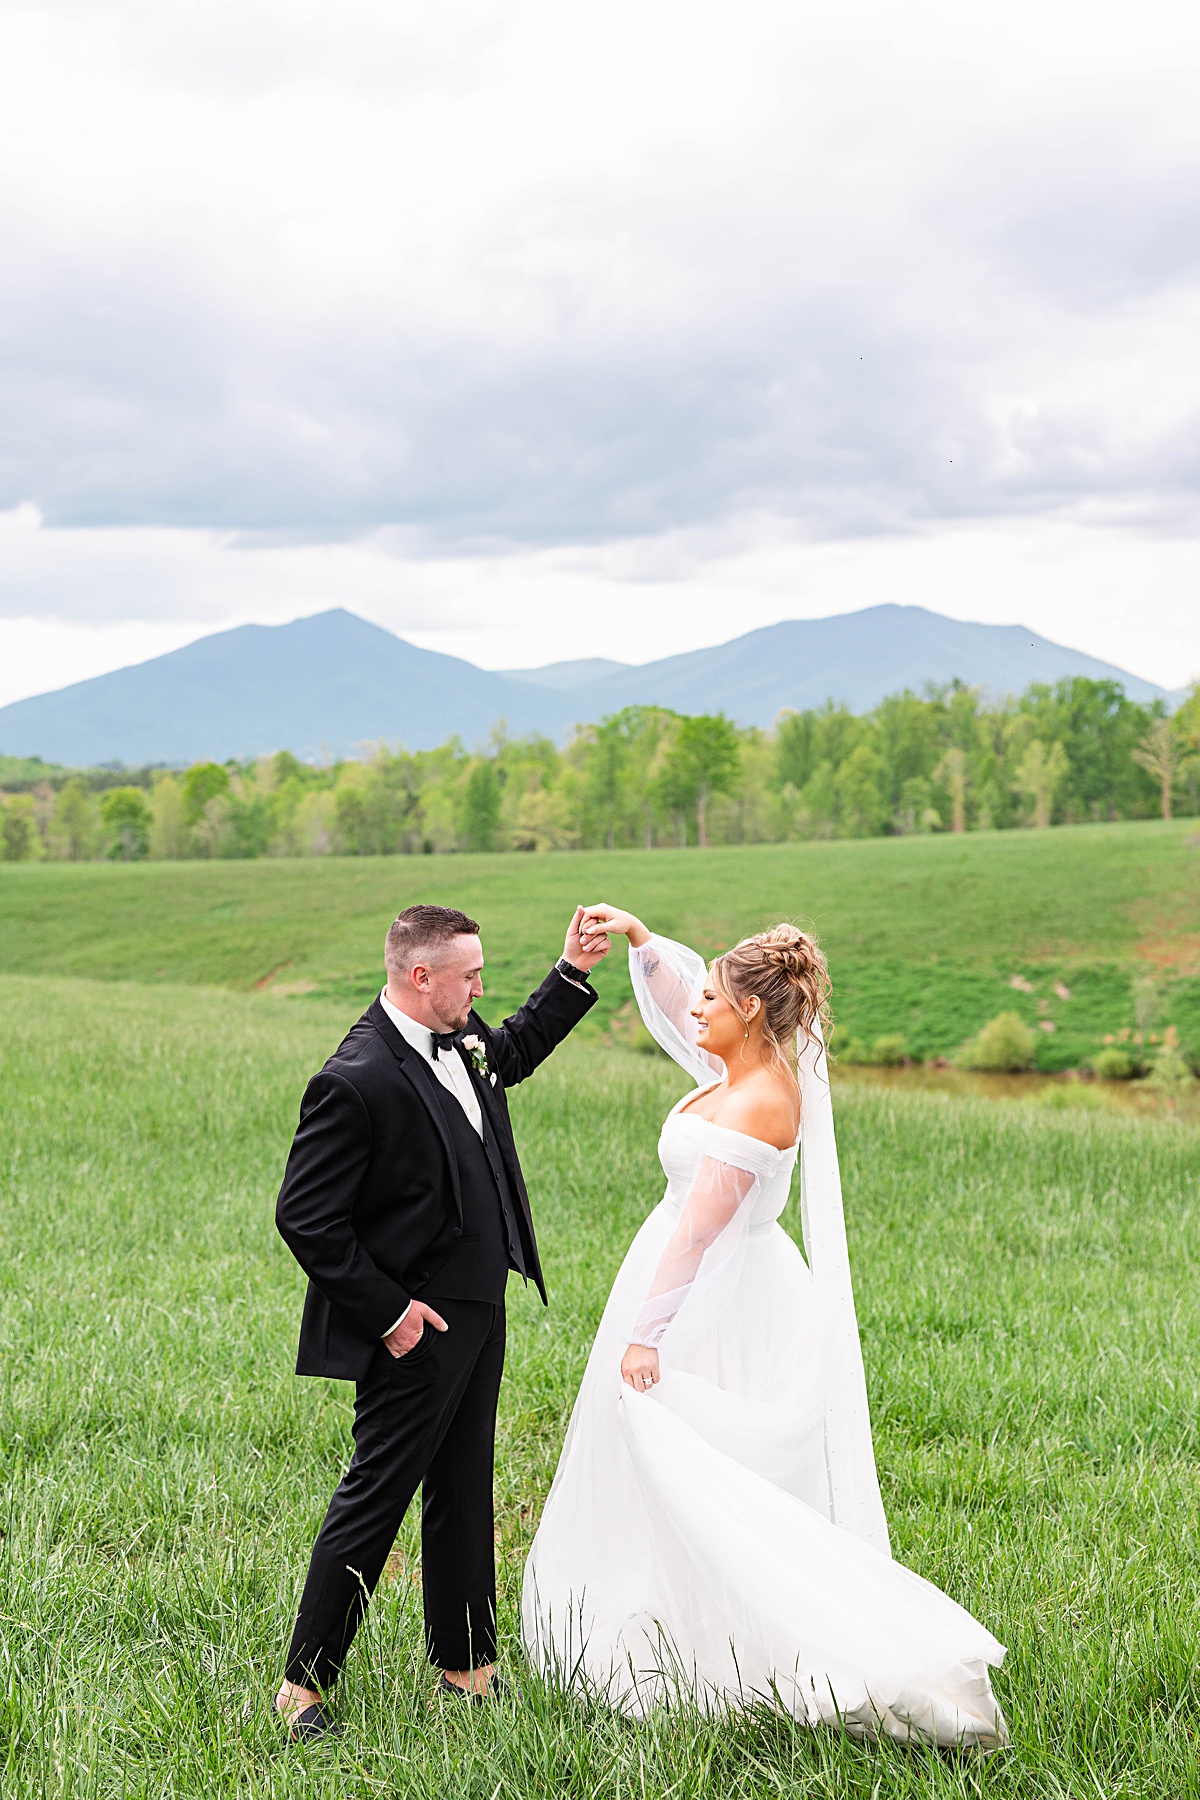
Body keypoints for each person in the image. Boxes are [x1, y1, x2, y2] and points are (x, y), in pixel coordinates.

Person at [522, 904, 1007, 1748]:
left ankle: (736, 1645)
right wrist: (643, 942)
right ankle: (662, 1603)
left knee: (705, 1462)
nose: (696, 1008)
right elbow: (678, 1007)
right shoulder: (733, 1062)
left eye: (713, 996)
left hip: (720, 1293)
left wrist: (646, 1333)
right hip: (698, 1273)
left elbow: (698, 1234)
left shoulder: (757, 1104)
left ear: (749, 1011)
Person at [273, 902, 607, 1743]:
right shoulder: (356, 1078)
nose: (480, 988)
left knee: (464, 1488)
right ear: (420, 977)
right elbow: (306, 1218)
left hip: (480, 1310)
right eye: (470, 976)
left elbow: (515, 1051)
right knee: (377, 1496)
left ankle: (465, 1670)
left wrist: (570, 972)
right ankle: (302, 1688)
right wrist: (389, 1314)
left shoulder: (460, 1038)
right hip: (414, 1327)